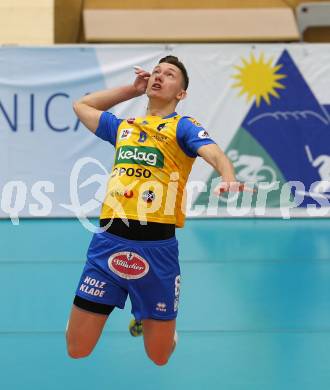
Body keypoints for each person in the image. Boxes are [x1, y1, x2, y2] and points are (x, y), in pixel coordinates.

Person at [66, 55, 247, 366]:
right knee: (77, 349)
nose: (159, 76)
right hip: (108, 244)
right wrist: (132, 90)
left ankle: (155, 320)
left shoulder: (183, 127)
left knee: (159, 356)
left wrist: (228, 176)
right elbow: (83, 106)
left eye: (170, 74)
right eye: (156, 72)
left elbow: (214, 153)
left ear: (181, 93)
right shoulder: (124, 127)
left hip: (157, 251)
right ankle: (134, 306)